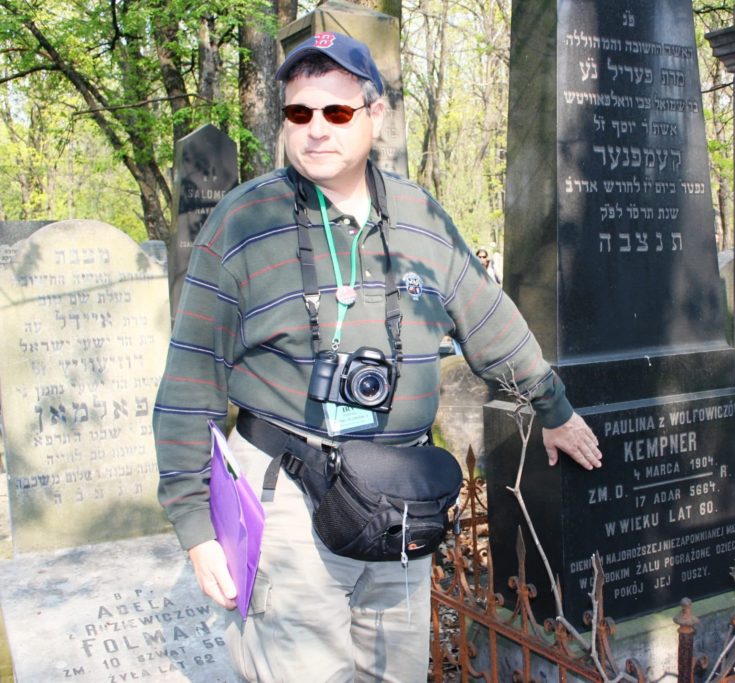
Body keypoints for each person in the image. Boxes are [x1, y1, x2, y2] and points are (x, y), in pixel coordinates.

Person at [153, 32, 602, 682]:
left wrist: (552, 407)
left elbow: (489, 318)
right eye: (298, 113)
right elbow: (190, 380)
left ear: (375, 115)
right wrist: (195, 522)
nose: (314, 130)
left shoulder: (419, 216)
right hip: (285, 502)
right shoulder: (243, 222)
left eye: (335, 112)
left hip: (398, 503)